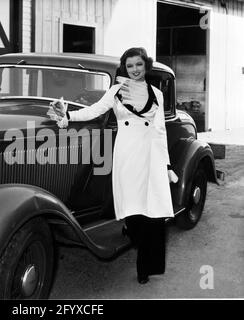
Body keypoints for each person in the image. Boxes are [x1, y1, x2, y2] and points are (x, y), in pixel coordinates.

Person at [48, 47, 178, 284]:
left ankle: (145, 268)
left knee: (154, 215)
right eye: (130, 66)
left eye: (139, 64)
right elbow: (95, 110)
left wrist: (167, 165)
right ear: (124, 68)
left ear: (145, 66)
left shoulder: (156, 94)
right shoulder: (116, 91)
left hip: (151, 155)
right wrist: (68, 117)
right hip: (127, 155)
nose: (135, 70)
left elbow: (160, 131)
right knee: (134, 212)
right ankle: (133, 237)